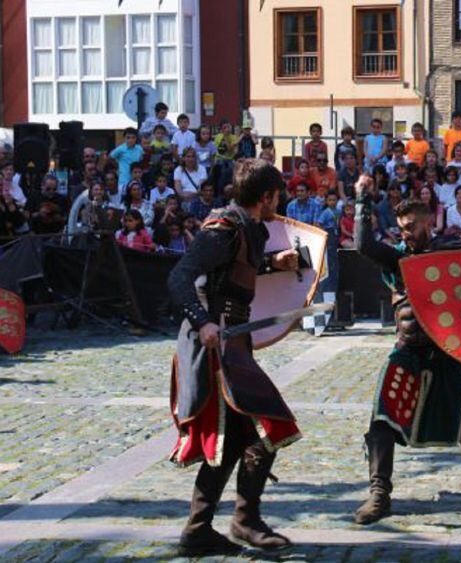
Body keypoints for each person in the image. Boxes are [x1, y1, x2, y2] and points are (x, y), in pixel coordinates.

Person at [167, 159, 303, 555]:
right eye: (278, 196)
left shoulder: (243, 230)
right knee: (268, 424)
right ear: (266, 196)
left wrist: (270, 263)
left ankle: (205, 528)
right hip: (214, 347)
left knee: (242, 438)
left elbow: (229, 272)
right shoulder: (222, 229)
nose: (280, 203)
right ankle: (240, 521)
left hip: (234, 344)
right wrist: (203, 321)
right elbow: (180, 276)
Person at [351, 173, 461, 525]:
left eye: (412, 226)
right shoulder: (396, 259)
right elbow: (364, 246)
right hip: (407, 351)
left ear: (429, 222)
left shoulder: (449, 252)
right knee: (382, 417)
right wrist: (362, 201)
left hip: (446, 352)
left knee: (459, 418)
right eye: (401, 227)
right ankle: (380, 493)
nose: (405, 233)